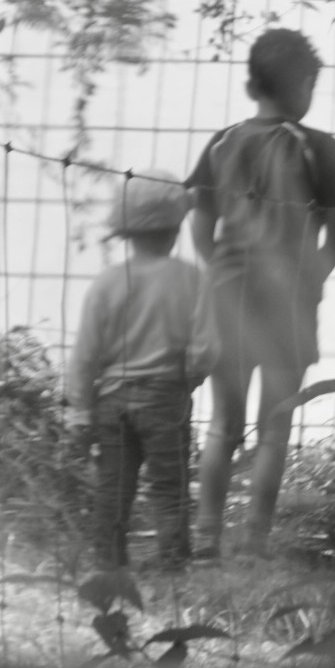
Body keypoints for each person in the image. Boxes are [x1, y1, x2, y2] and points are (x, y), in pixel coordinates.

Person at [187, 30, 335, 559]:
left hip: (229, 295)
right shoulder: (319, 147)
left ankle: (206, 535)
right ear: (302, 84)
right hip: (288, 300)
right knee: (274, 429)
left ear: (252, 82)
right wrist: (316, 279)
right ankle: (254, 541)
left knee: (222, 425)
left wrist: (219, 269)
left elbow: (200, 225)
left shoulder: (221, 142)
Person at [66, 172, 217, 574]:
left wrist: (79, 411)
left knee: (113, 488)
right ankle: (171, 561)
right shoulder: (191, 278)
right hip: (166, 396)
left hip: (111, 401)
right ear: (174, 229)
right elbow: (206, 346)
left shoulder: (106, 283)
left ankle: (109, 563)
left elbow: (85, 354)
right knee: (169, 484)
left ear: (124, 232)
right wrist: (191, 377)